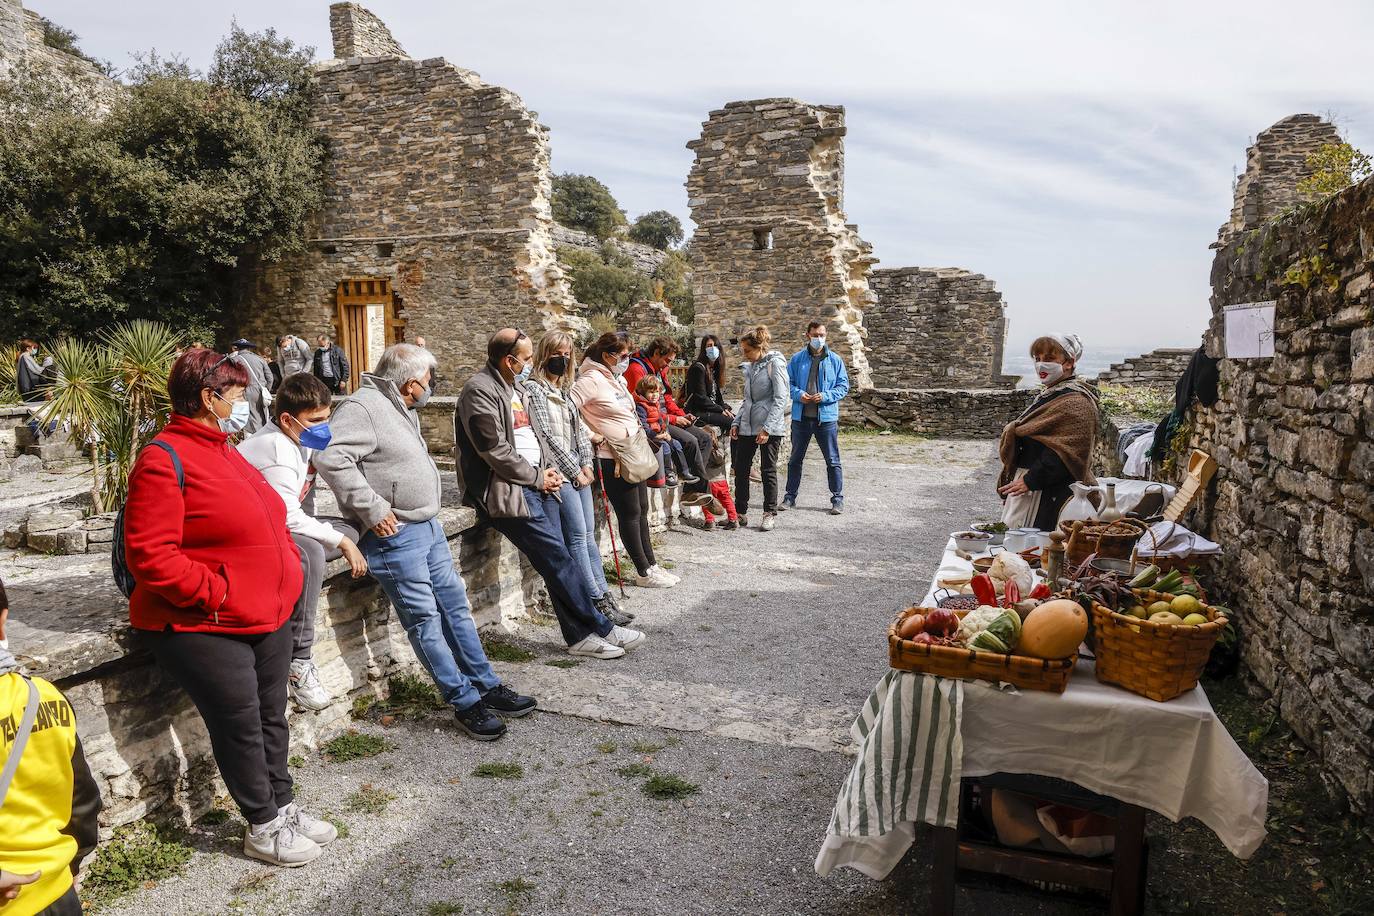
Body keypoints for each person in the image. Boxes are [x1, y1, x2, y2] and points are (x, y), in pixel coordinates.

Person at [123, 348, 332, 868]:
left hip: (262, 614)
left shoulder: (224, 448)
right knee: (240, 722)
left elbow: (269, 518)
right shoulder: (162, 457)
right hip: (205, 622)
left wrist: (281, 578)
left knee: (270, 718)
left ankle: (283, 806)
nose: (245, 402)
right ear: (207, 397)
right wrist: (217, 592)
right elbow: (151, 555)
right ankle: (262, 825)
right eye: (237, 394)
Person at [314, 344, 533, 739]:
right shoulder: (363, 408)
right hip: (395, 535)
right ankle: (464, 702)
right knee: (425, 621)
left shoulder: (398, 404)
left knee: (455, 609)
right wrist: (373, 508)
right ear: (411, 382)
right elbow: (329, 457)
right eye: (429, 380)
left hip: (427, 527)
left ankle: (485, 684)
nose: (431, 386)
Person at [456, 330, 645, 659]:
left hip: (538, 482)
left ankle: (579, 636)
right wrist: (536, 476)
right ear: (508, 360)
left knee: (556, 561)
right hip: (509, 490)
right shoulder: (479, 391)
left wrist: (547, 471)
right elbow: (493, 449)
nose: (531, 364)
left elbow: (535, 436)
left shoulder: (515, 388)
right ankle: (600, 627)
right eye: (526, 359)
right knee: (558, 558)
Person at [237, 373, 369, 712]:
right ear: (286, 419)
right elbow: (288, 517)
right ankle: (300, 659)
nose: (325, 426)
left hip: (276, 527)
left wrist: (343, 536)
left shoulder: (299, 440)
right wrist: (340, 542)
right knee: (312, 551)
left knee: (353, 527)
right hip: (249, 537)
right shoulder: (277, 449)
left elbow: (303, 503)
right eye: (317, 420)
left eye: (327, 417)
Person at [0, 577, 102, 916]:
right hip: (55, 890)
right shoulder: (44, 695)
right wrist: (73, 864)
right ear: (4, 618)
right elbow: (82, 797)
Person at [522, 331, 632, 626]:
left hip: (579, 469)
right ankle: (593, 599)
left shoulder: (564, 390)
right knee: (577, 539)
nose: (563, 358)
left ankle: (603, 594)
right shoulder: (534, 390)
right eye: (557, 353)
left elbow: (579, 430)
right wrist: (575, 471)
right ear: (545, 355)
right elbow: (546, 436)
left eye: (568, 353)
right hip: (560, 471)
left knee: (588, 537)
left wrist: (586, 464)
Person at [572, 333, 679, 589]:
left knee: (642, 509)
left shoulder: (615, 379)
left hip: (634, 451)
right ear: (607, 355)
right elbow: (568, 410)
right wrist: (591, 435)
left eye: (628, 355)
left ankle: (651, 564)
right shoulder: (590, 379)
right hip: (613, 456)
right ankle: (642, 571)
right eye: (622, 356)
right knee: (630, 513)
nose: (626, 360)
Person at [997, 334, 1100, 531]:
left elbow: (1068, 451)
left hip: (1047, 490)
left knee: (1034, 544)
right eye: (1038, 358)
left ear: (1069, 363)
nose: (1041, 365)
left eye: (1050, 359)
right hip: (1029, 484)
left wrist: (1030, 480)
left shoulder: (1076, 402)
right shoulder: (1051, 394)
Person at [622, 338, 716, 512]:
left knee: (704, 438)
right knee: (690, 441)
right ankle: (699, 492)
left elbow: (666, 399)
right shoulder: (637, 369)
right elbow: (644, 406)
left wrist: (682, 415)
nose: (668, 364)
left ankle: (691, 490)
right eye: (667, 360)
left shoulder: (659, 369)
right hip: (655, 421)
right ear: (657, 353)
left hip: (667, 417)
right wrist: (674, 419)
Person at [782, 320, 849, 516]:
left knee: (832, 460)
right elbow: (789, 384)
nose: (819, 339)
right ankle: (790, 497)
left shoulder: (835, 360)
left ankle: (837, 499)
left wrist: (826, 396)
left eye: (822, 335)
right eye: (815, 335)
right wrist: (798, 394)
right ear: (808, 336)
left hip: (826, 419)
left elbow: (843, 387)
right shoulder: (796, 359)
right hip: (801, 418)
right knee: (795, 460)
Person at [731, 326, 790, 531]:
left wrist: (767, 428)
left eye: (747, 350)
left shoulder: (775, 364)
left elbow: (781, 398)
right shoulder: (750, 367)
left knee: (767, 470)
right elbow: (748, 399)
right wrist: (737, 421)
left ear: (759, 347)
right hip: (748, 425)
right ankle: (740, 512)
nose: (744, 354)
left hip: (769, 427)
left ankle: (769, 513)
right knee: (741, 469)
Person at [634, 375, 695, 488]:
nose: (654, 395)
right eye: (650, 392)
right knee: (665, 448)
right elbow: (643, 426)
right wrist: (656, 436)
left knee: (676, 444)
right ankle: (668, 474)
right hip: (650, 437)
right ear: (643, 393)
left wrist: (665, 432)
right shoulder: (642, 407)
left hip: (659, 433)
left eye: (656, 392)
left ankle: (684, 471)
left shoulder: (655, 405)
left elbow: (661, 421)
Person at [679, 334, 733, 435]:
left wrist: (724, 408)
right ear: (704, 349)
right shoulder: (698, 368)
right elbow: (701, 398)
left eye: (715, 345)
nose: (712, 348)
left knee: (737, 419)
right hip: (699, 412)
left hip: (710, 410)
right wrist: (720, 410)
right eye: (709, 346)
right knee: (732, 423)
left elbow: (717, 396)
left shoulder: (713, 369)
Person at [229, 338, 274, 435]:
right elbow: (270, 378)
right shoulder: (260, 359)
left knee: (249, 418)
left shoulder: (233, 360)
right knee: (263, 415)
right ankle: (264, 435)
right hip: (261, 389)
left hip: (244, 390)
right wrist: (266, 389)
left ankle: (254, 438)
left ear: (238, 348)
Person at [698, 426, 738, 531]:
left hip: (710, 482)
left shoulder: (704, 449)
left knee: (706, 501)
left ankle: (710, 521)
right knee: (727, 501)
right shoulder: (720, 447)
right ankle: (733, 519)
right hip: (722, 481)